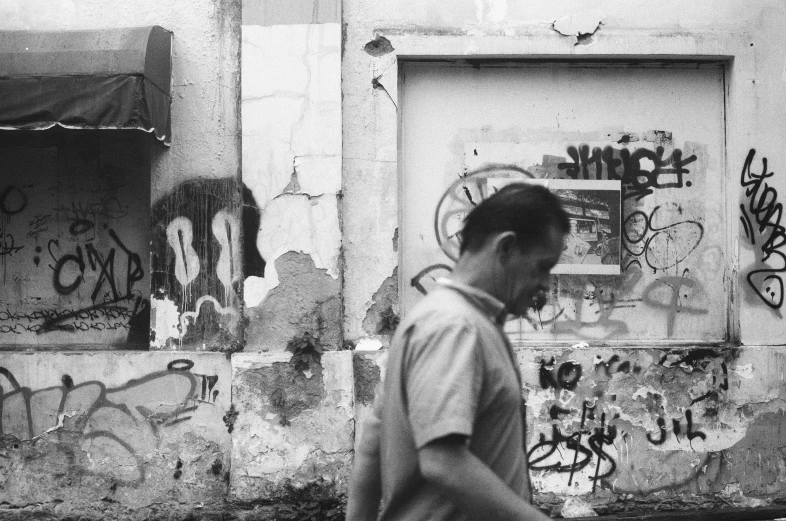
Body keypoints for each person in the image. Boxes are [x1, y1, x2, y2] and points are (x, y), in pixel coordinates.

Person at [347, 183, 570, 521]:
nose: (545, 283)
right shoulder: (455, 327)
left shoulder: (439, 318)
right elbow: (443, 463)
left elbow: (371, 448)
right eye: (542, 266)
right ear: (507, 247)